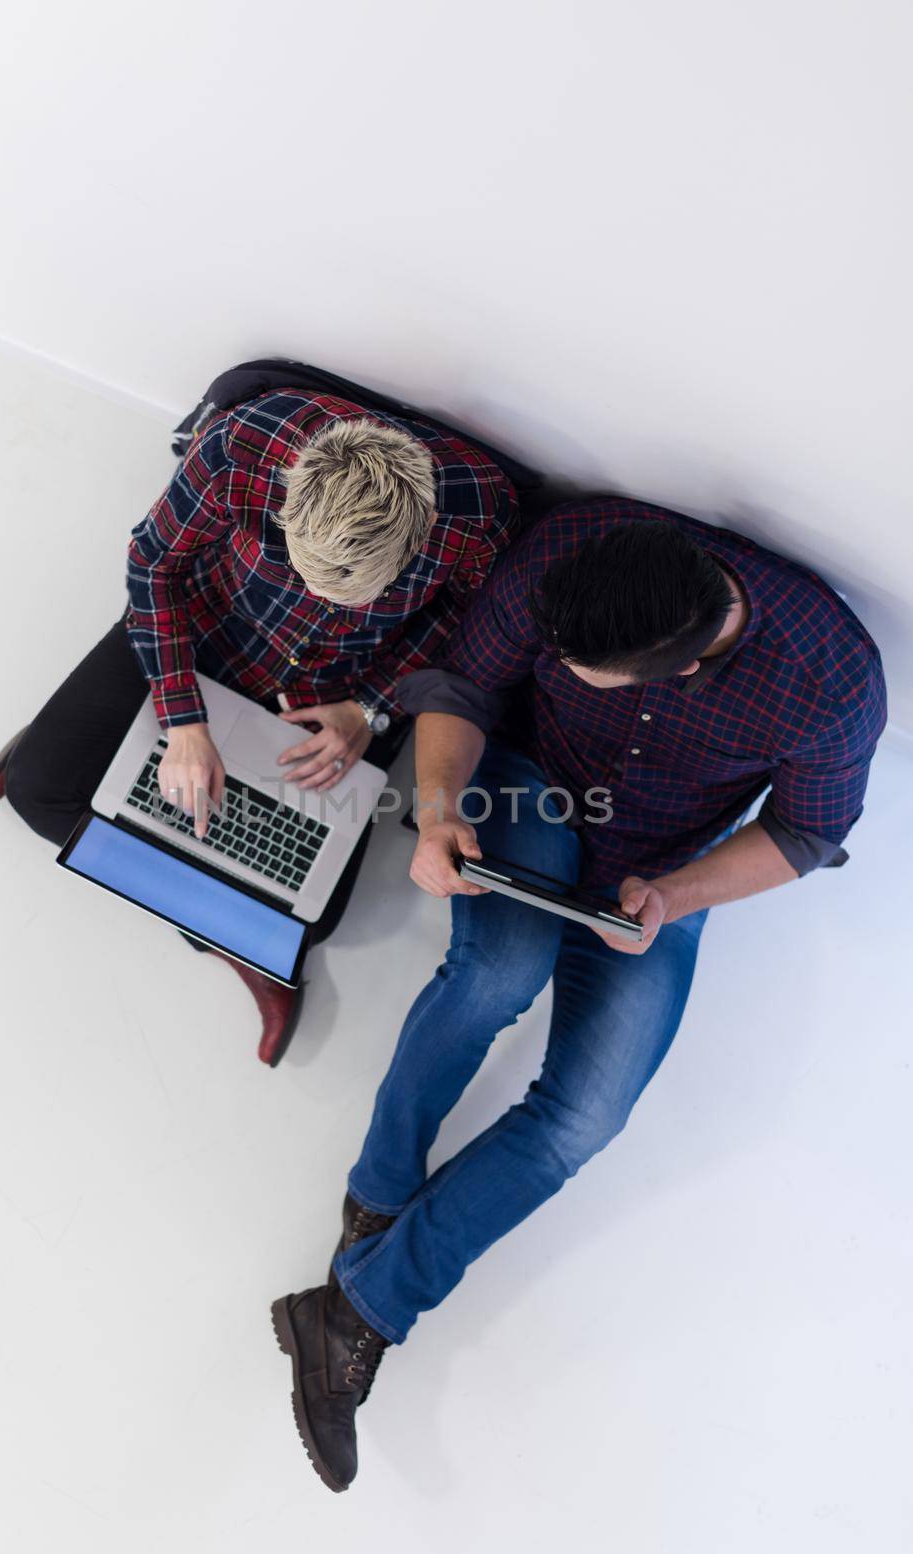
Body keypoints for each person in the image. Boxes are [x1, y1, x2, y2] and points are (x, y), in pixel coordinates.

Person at [271, 495, 887, 1491]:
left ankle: (351, 1312)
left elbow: (807, 835)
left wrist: (676, 897)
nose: (562, 671)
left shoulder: (832, 679)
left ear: (681, 667)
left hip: (671, 859)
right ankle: (376, 1199)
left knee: (587, 1117)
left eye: (588, 674)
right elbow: (465, 684)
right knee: (497, 972)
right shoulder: (575, 553)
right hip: (532, 789)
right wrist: (435, 815)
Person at [0, 387, 519, 1061]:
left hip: (337, 691)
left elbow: (463, 622)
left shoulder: (480, 511)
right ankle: (224, 929)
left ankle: (230, 926)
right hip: (207, 627)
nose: (318, 597)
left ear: (419, 537)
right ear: (288, 494)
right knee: (37, 793)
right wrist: (183, 722)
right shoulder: (241, 447)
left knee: (312, 918)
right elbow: (153, 563)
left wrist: (372, 708)